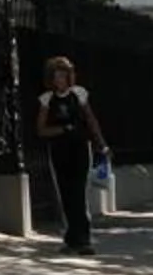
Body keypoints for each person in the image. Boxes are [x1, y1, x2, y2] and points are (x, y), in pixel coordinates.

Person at [36, 55, 109, 256]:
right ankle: (71, 238)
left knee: (78, 192)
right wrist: (62, 129)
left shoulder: (79, 94)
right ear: (51, 78)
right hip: (59, 151)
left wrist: (101, 143)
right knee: (65, 194)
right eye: (57, 76)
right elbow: (41, 130)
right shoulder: (47, 99)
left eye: (64, 76)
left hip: (79, 148)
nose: (61, 80)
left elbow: (90, 119)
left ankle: (84, 239)